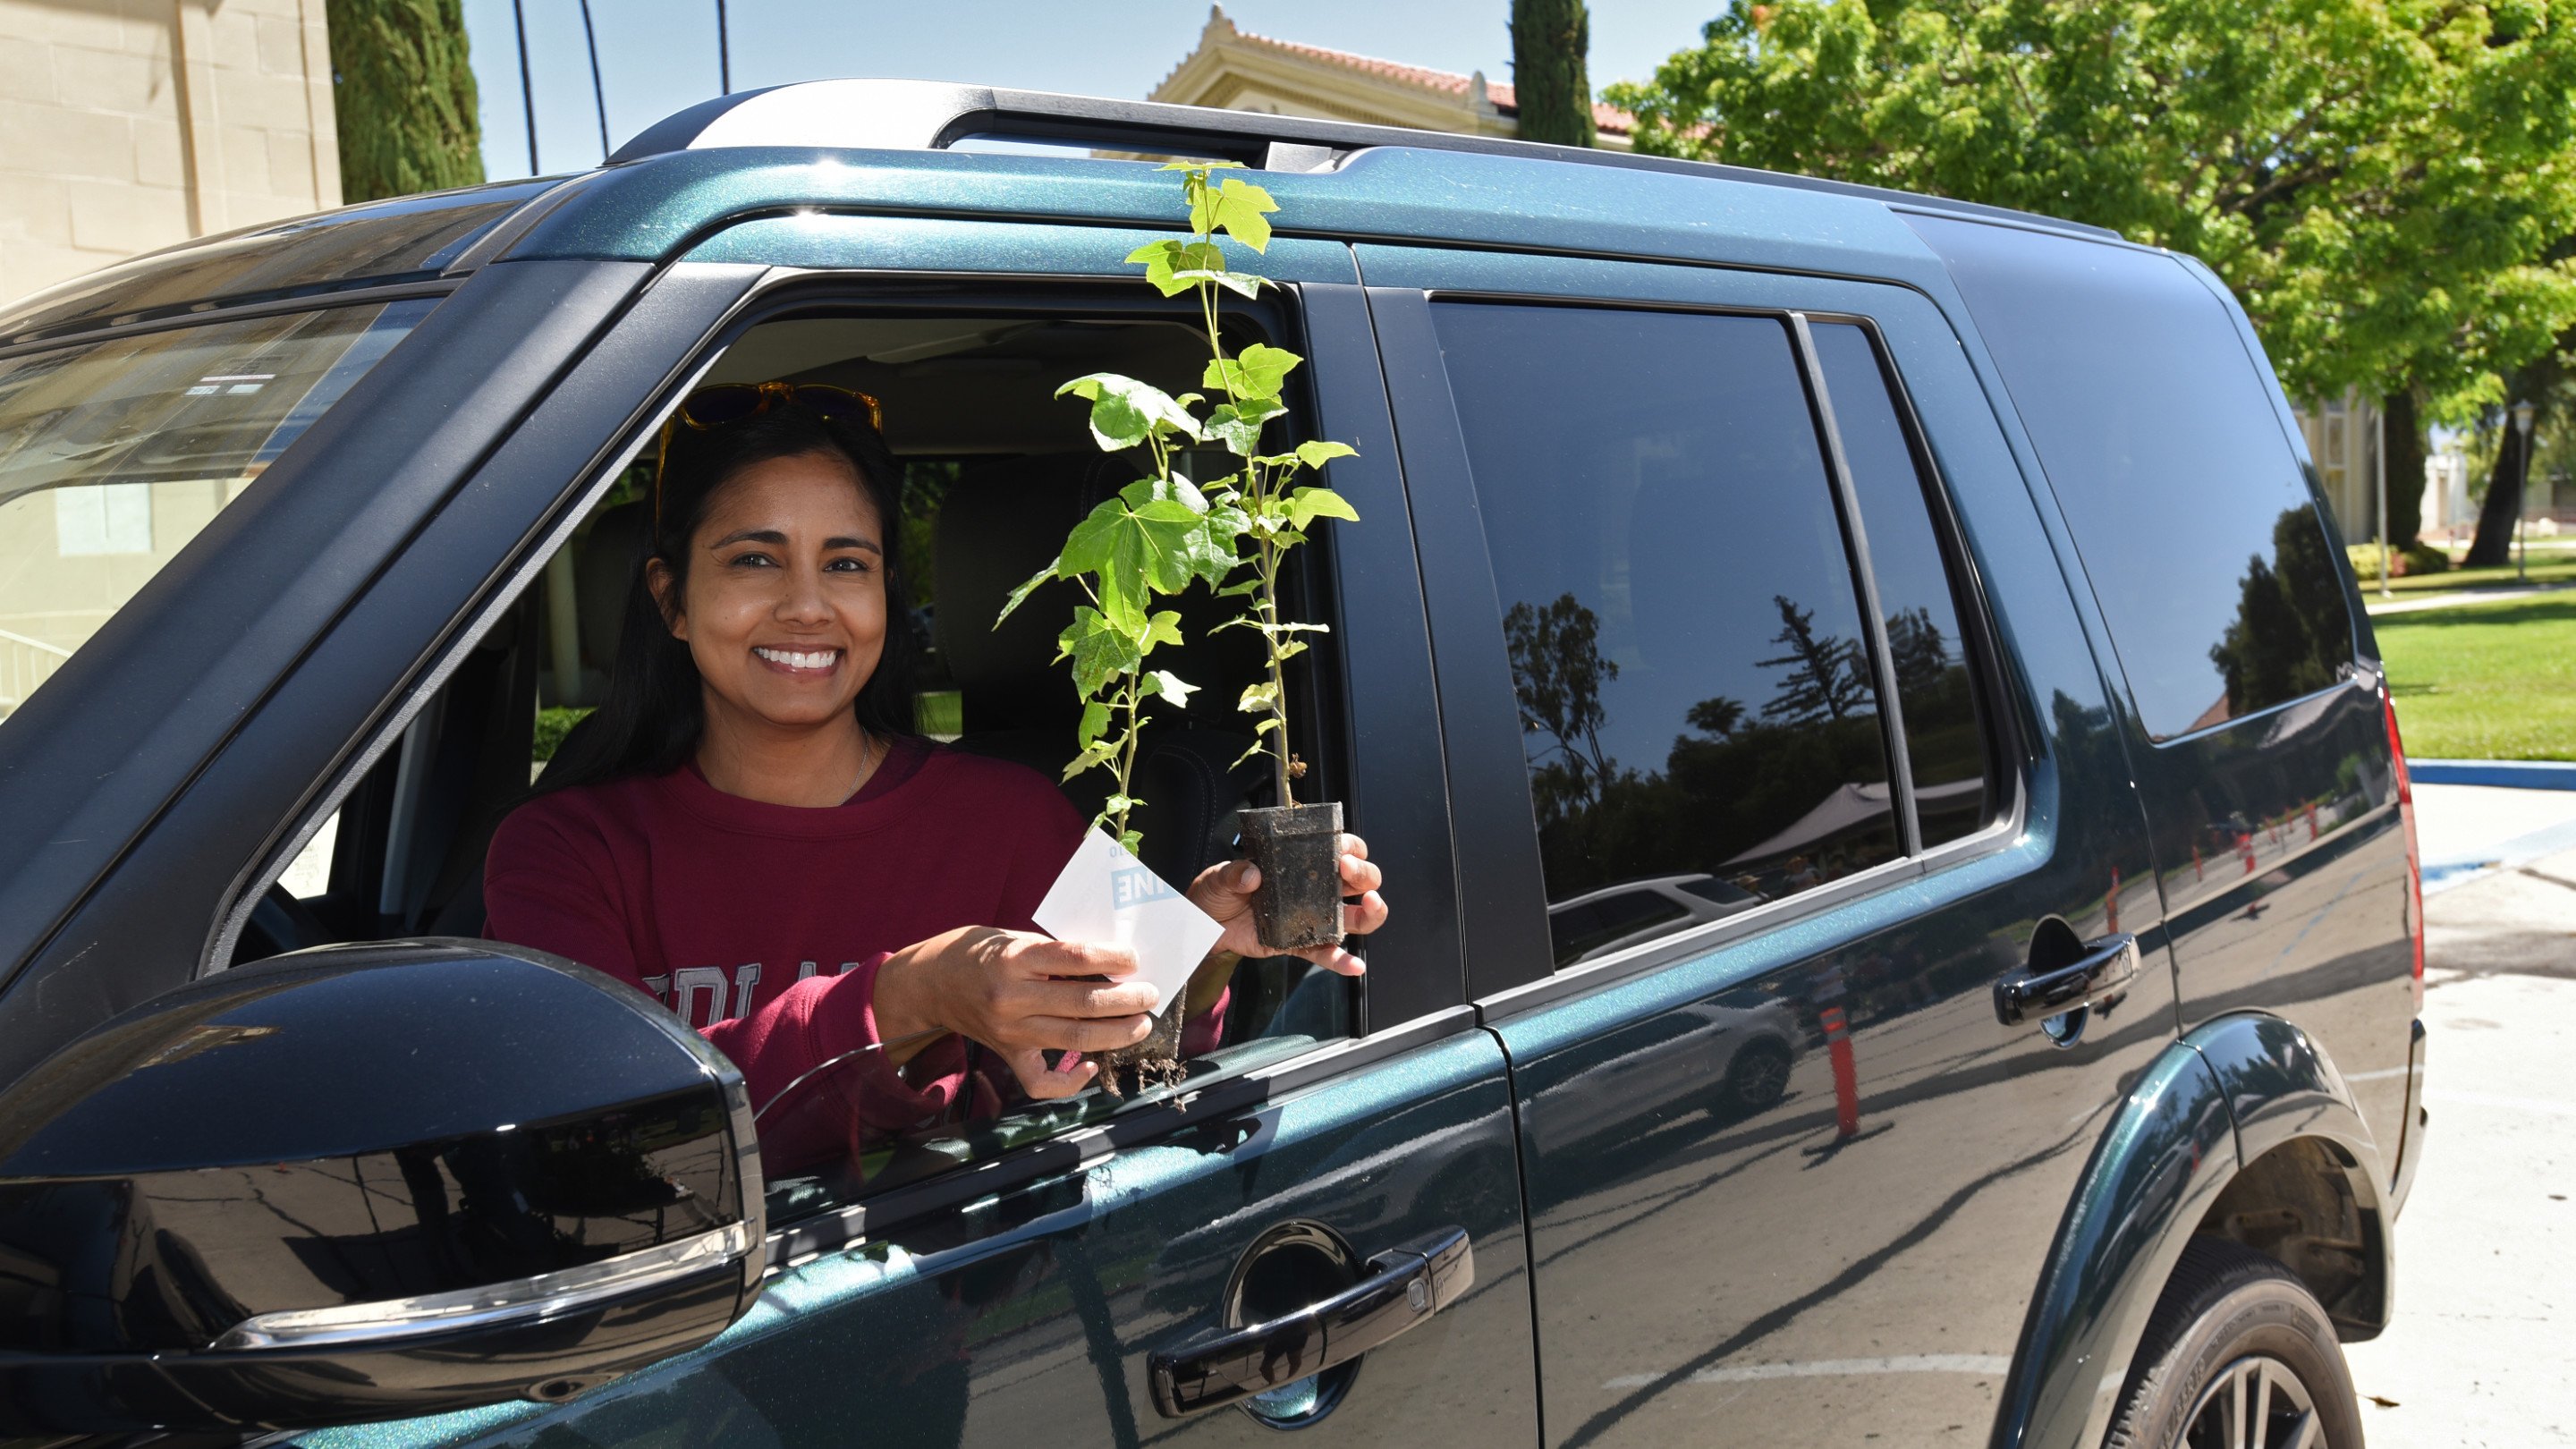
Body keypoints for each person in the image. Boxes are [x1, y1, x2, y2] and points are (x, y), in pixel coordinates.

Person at [482, 383, 1386, 1177]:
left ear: (886, 597)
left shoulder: (1011, 816)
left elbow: (1136, 1048)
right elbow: (607, 1147)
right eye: (754, 560)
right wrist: (909, 996)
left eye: (847, 563)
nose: (807, 605)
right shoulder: (565, 852)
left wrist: (1209, 938)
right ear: (672, 599)